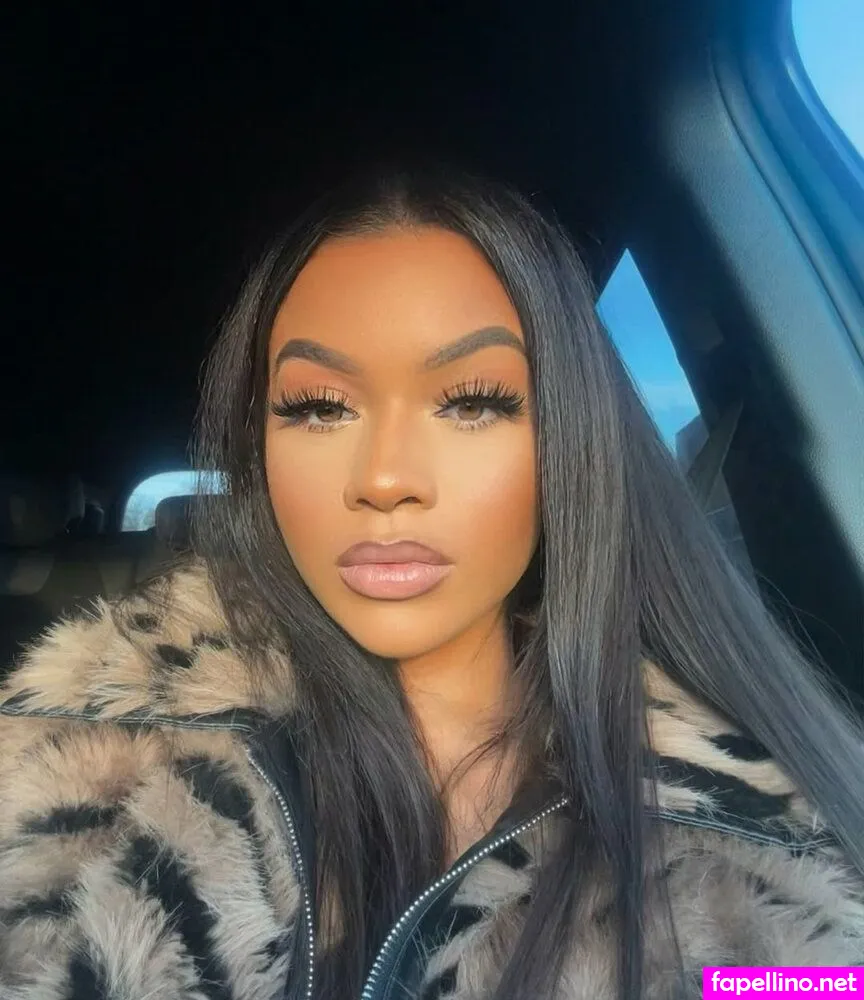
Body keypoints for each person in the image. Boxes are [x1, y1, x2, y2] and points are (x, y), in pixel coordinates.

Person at [1, 169, 862, 1000]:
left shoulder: (770, 863)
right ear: (259, 449)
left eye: (473, 402)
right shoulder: (72, 779)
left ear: (569, 442)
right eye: (319, 407)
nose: (384, 478)